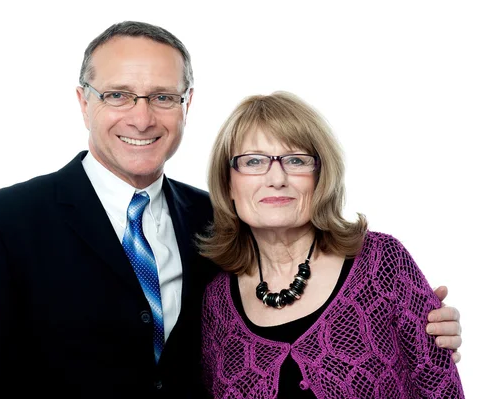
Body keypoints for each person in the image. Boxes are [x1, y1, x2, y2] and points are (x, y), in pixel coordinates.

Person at [0, 21, 462, 399]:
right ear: (82, 101)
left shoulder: (219, 221)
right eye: (118, 95)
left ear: (186, 105)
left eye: (162, 96)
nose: (142, 117)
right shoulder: (4, 223)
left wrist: (418, 331)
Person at [199, 91, 464, 398]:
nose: (276, 178)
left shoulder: (381, 263)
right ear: (228, 183)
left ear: (320, 177)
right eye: (253, 161)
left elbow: (441, 388)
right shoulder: (216, 301)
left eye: (296, 160)